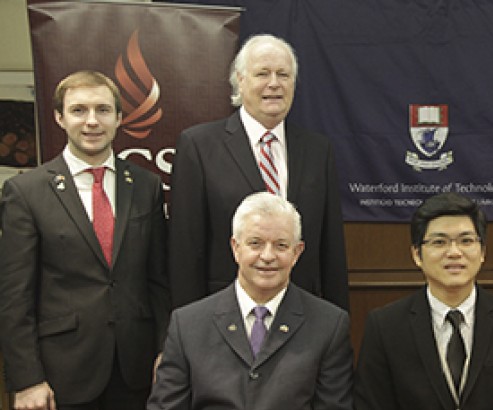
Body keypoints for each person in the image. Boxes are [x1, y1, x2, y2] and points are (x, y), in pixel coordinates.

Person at [0, 70, 169, 410]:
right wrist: (26, 379)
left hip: (137, 371)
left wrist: (167, 351)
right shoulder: (26, 192)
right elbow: (14, 296)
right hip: (61, 374)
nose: (92, 121)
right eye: (79, 110)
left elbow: (159, 281)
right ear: (59, 118)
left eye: (103, 110)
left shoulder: (146, 186)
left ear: (119, 118)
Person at [168, 34, 349, 311]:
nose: (274, 84)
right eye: (262, 73)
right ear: (240, 80)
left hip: (304, 317)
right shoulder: (199, 146)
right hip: (223, 317)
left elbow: (331, 248)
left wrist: (339, 323)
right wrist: (188, 333)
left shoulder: (317, 149)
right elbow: (186, 250)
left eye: (283, 75)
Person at [148, 192, 353, 409]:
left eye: (281, 245)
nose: (267, 256)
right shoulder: (187, 325)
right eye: (255, 243)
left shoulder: (329, 325)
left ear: (297, 252)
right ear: (236, 248)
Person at [355, 192, 493, 410]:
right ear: (417, 254)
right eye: (439, 242)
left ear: (483, 251)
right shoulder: (385, 327)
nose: (454, 252)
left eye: (466, 241)